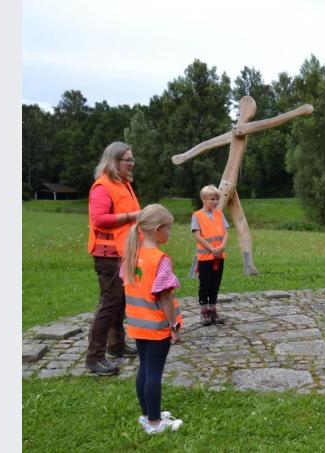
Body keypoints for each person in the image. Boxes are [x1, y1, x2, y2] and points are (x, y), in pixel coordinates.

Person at [122, 204, 184, 434]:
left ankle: (147, 415)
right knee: (154, 372)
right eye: (169, 228)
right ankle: (156, 423)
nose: (170, 233)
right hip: (157, 327)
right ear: (158, 230)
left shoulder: (132, 254)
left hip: (137, 325)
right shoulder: (160, 259)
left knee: (145, 368)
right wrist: (174, 326)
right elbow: (165, 298)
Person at [85, 141, 141, 376]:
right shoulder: (103, 186)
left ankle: (116, 346)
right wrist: (132, 216)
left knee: (119, 301)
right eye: (128, 159)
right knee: (109, 303)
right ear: (114, 161)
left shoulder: (123, 184)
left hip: (122, 252)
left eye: (132, 159)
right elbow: (98, 219)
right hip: (107, 255)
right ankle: (94, 358)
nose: (132, 163)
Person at [191, 185, 229, 326]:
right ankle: (204, 311)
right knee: (204, 285)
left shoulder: (220, 214)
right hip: (205, 258)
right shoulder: (197, 216)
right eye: (212, 199)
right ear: (204, 199)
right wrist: (212, 249)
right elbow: (197, 236)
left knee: (215, 284)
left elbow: (226, 233)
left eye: (217, 199)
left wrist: (222, 246)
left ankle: (213, 310)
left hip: (219, 257)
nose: (215, 202)